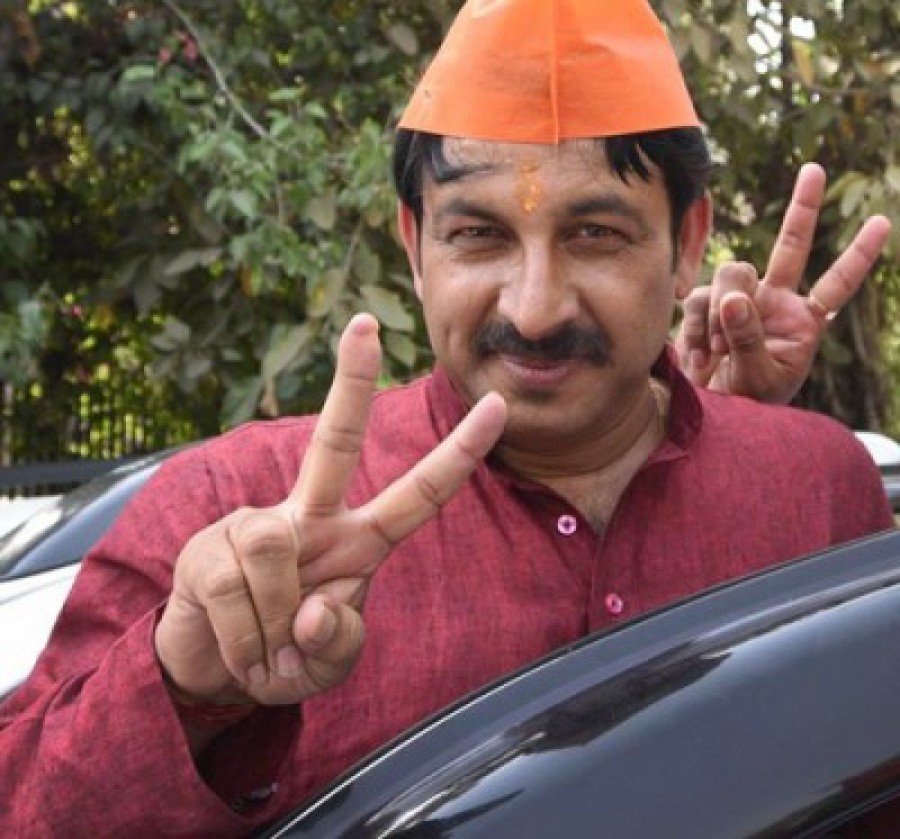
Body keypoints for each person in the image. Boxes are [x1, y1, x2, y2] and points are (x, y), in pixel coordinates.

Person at [0, 1, 893, 835]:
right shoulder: (234, 507)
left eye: (595, 234)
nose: (535, 310)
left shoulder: (814, 486)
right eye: (478, 234)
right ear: (413, 243)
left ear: (687, 241)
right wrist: (187, 689)